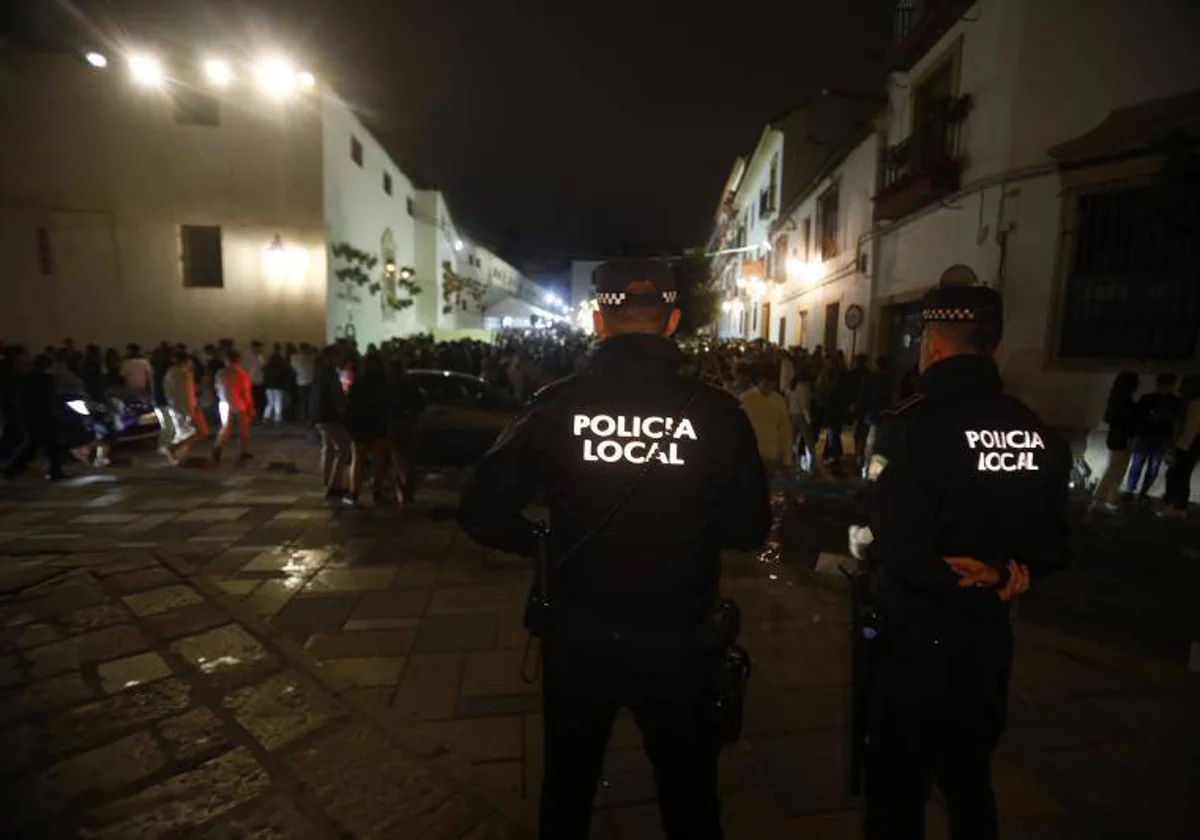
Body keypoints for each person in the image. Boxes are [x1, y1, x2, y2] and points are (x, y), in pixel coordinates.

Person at [458, 258, 771, 840]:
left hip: (579, 635)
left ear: (599, 321)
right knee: (691, 798)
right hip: (680, 639)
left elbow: (480, 509)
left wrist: (542, 542)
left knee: (568, 790)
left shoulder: (556, 405)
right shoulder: (719, 414)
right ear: (673, 321)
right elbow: (751, 530)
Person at [859, 286, 1071, 840]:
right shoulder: (1036, 429)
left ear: (930, 344)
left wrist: (952, 579)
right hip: (988, 638)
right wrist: (1000, 575)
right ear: (993, 349)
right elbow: (1054, 545)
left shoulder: (909, 423)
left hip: (912, 638)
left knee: (896, 785)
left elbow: (895, 543)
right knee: (971, 777)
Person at [3, 354, 66, 481]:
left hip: (32, 416)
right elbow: (49, 399)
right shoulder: (46, 380)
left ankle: (13, 468)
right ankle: (55, 472)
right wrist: (55, 411)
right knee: (48, 444)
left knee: (36, 444)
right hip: (45, 417)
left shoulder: (28, 379)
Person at [344, 349, 390, 506]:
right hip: (378, 422)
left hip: (360, 423)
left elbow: (350, 403)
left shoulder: (359, 380)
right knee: (379, 459)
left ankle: (354, 492)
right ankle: (378, 491)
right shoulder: (383, 381)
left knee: (358, 459)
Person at [1089, 371, 1140, 514]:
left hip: (1118, 436)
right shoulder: (1124, 401)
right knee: (1115, 468)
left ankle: (1108, 498)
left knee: (1117, 468)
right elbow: (1124, 420)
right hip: (1121, 437)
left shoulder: (1116, 399)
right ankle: (1101, 498)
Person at [1124, 373, 1180, 500]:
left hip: (1159, 436)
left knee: (1151, 465)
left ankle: (1138, 491)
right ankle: (1132, 490)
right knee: (1140, 463)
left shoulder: (1172, 401)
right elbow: (1137, 416)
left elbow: (1176, 421)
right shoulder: (1149, 399)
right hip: (1148, 435)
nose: (1164, 388)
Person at [740, 362, 794, 479]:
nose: (769, 386)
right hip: (750, 454)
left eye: (772, 383)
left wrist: (786, 460)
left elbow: (785, 431)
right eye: (766, 382)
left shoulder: (779, 401)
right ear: (759, 380)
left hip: (771, 455)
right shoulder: (746, 399)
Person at [312, 346, 352, 499]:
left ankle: (327, 479)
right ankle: (335, 484)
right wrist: (343, 411)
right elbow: (336, 397)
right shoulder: (330, 374)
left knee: (328, 449)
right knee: (344, 450)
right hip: (330, 416)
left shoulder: (319, 372)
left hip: (320, 415)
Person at [1159, 374, 1200, 520]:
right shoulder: (1190, 403)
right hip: (1192, 445)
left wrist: (1177, 445)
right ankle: (1179, 508)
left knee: (1175, 475)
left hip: (1187, 444)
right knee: (1181, 476)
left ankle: (1172, 506)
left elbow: (1190, 428)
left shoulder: (1193, 404)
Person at [386, 355, 426, 505]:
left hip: (395, 425)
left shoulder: (389, 385)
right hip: (410, 424)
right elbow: (421, 403)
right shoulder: (411, 384)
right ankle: (408, 491)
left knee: (398, 460)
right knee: (409, 460)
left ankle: (402, 494)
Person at [163, 349, 208, 462]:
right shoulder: (184, 374)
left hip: (176, 406)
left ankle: (180, 454)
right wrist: (192, 410)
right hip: (187, 407)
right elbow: (187, 394)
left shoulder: (170, 372)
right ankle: (174, 448)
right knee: (199, 431)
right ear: (186, 361)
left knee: (191, 431)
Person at [212, 349, 253, 465]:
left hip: (224, 402)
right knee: (244, 428)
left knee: (225, 428)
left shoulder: (220, 373)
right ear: (238, 360)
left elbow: (216, 387)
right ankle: (243, 451)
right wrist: (250, 406)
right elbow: (245, 392)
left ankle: (217, 448)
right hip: (239, 403)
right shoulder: (241, 373)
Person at [263, 343, 289, 426]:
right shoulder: (280, 360)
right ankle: (278, 418)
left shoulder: (269, 360)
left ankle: (266, 416)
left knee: (270, 401)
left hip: (268, 384)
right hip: (278, 384)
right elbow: (284, 371)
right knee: (278, 401)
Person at [244, 341, 266, 423]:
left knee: (259, 401)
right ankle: (252, 417)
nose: (260, 349)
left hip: (259, 381)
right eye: (258, 347)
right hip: (251, 382)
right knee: (252, 401)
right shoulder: (247, 357)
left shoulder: (260, 356)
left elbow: (263, 367)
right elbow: (245, 369)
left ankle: (258, 417)